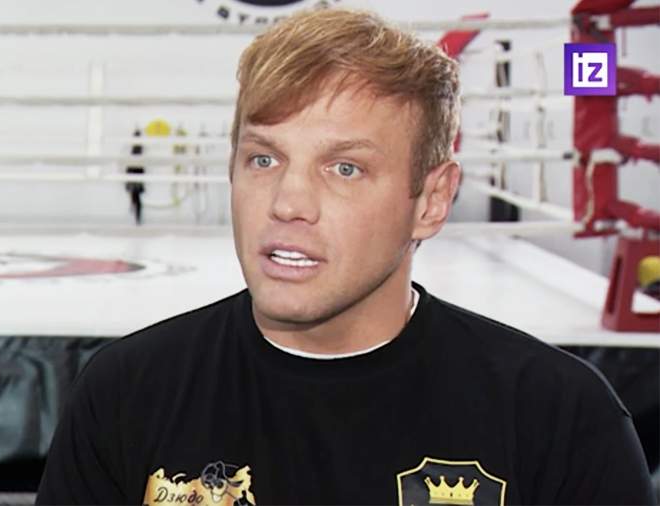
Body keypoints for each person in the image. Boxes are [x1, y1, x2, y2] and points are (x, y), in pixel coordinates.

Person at [36, 8, 656, 505]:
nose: (288, 202)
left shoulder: (559, 417)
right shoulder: (125, 393)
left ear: (432, 201)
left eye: (345, 168)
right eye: (263, 158)